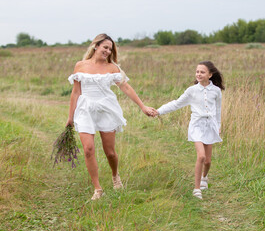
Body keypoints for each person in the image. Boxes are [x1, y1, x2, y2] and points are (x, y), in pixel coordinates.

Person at [66, 33, 157, 200]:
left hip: (106, 109)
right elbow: (76, 92)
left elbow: (126, 88)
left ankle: (115, 176)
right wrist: (70, 117)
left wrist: (142, 106)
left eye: (110, 49)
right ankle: (98, 189)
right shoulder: (80, 66)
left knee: (110, 152)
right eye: (105, 47)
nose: (107, 51)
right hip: (85, 109)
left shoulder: (112, 68)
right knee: (88, 150)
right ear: (96, 46)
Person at [155, 61, 225, 199]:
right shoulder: (191, 91)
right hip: (197, 125)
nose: (199, 74)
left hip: (210, 126)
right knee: (201, 156)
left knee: (208, 161)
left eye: (202, 72)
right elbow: (176, 103)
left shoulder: (216, 91)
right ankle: (197, 188)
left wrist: (218, 126)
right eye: (197, 71)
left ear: (210, 75)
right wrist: (158, 111)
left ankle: (205, 178)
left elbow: (218, 110)